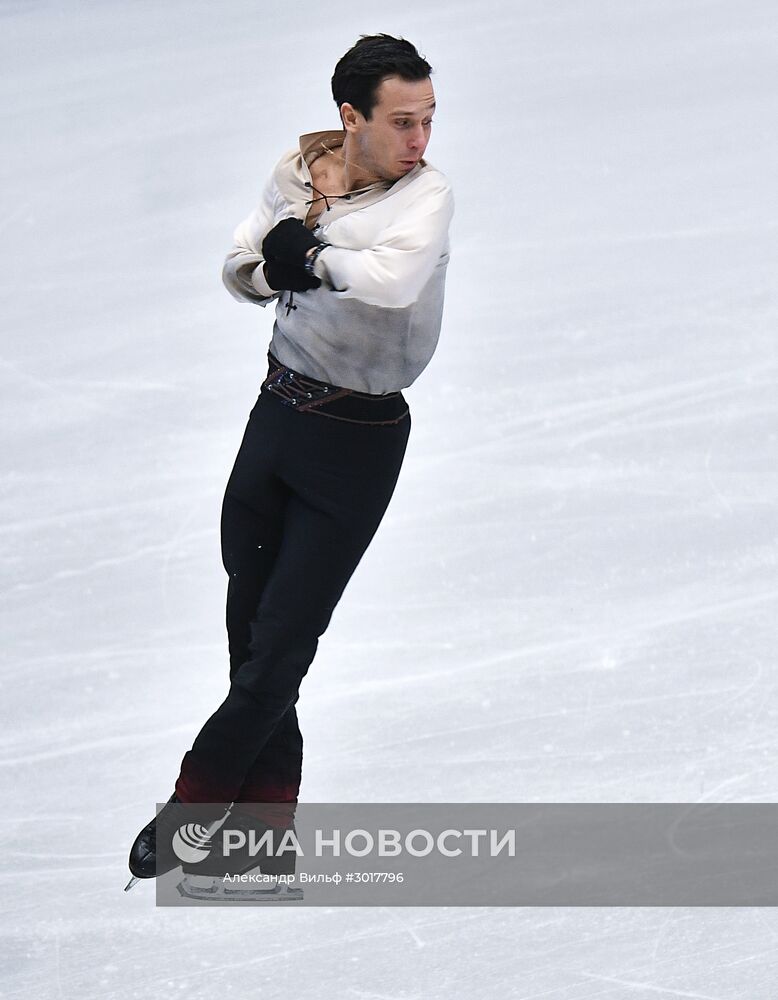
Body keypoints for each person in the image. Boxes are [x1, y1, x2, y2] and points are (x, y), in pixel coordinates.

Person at [126, 32, 454, 890]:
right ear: (352, 117)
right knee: (249, 641)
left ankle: (193, 806)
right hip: (275, 422)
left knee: (282, 651)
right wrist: (271, 273)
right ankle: (265, 836)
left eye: (429, 120)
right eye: (403, 122)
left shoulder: (426, 198)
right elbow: (239, 265)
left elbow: (390, 282)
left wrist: (307, 257)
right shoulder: (296, 174)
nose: (421, 141)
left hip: (358, 444)